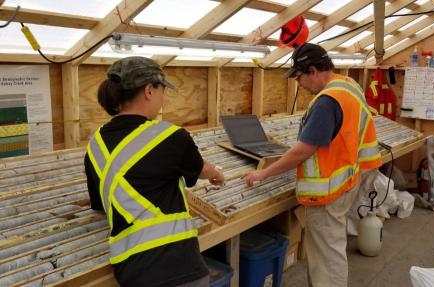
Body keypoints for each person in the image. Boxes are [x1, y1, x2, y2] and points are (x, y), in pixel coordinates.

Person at [242, 43, 382, 287]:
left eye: (299, 77)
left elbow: (302, 152)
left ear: (314, 70)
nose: (300, 85)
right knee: (330, 253)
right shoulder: (348, 86)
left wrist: (264, 173)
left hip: (326, 194)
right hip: (347, 181)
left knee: (326, 260)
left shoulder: (327, 102)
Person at [84, 57, 225, 287]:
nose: (163, 98)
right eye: (162, 90)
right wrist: (216, 174)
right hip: (180, 268)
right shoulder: (170, 135)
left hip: (131, 273)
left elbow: (101, 206)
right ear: (149, 90)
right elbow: (201, 168)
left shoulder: (94, 146)